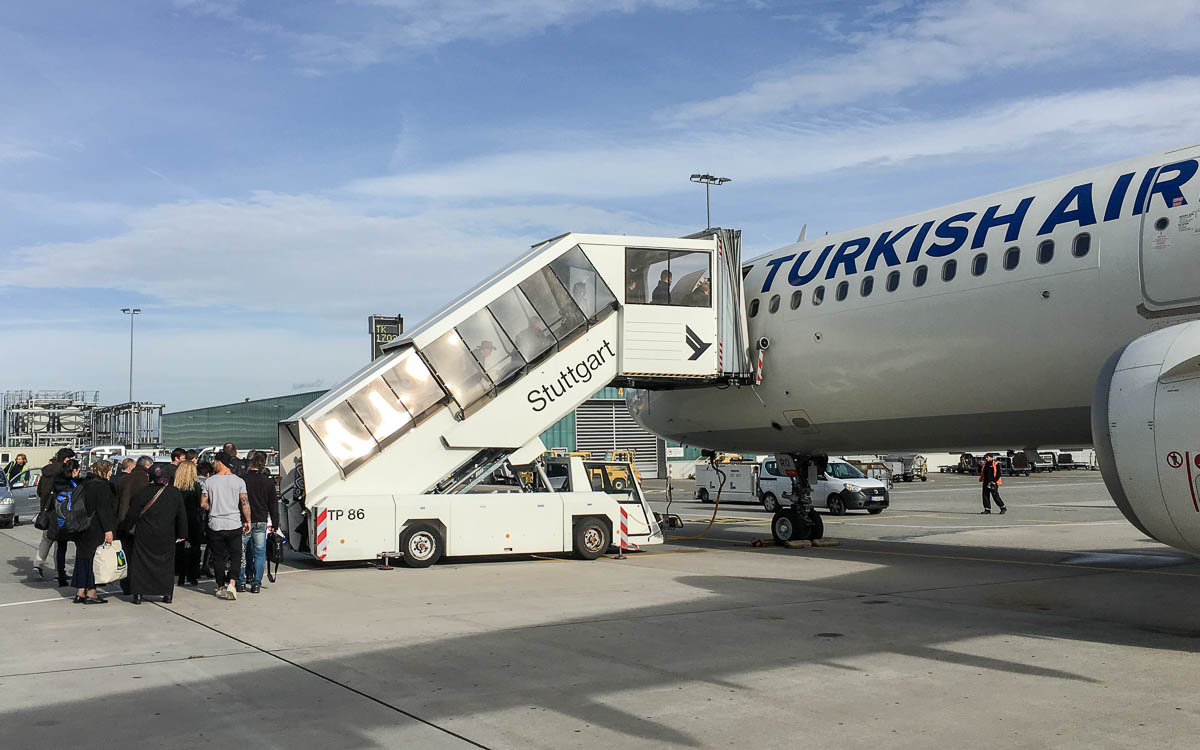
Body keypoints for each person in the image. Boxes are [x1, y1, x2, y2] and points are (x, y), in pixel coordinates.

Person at [120, 465, 187, 604]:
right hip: (167, 534)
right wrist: (182, 533)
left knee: (141, 564)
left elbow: (132, 514)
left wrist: (126, 528)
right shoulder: (174, 493)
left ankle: (138, 594)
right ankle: (166, 594)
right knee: (165, 565)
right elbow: (181, 515)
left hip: (145, 533)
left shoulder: (143, 492)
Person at [202, 453, 250, 600]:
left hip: (215, 524)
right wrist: (248, 520)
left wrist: (212, 508)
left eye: (215, 462)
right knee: (236, 555)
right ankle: (232, 582)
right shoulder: (239, 481)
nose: (213, 465)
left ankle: (221, 586)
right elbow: (245, 503)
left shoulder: (209, 482)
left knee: (218, 557)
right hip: (234, 523)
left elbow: (203, 503)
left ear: (219, 462)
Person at [71, 460, 117, 604]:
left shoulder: (84, 483)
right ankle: (91, 592)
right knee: (94, 560)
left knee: (82, 558)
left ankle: (80, 592)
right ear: (104, 471)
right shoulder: (102, 486)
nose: (111, 473)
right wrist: (108, 530)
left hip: (81, 526)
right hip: (95, 527)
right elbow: (104, 510)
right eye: (109, 470)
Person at [238, 451, 281, 594]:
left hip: (244, 520)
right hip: (261, 520)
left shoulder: (242, 480)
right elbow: (273, 505)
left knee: (241, 552)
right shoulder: (268, 482)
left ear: (250, 463)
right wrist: (275, 523)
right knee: (260, 553)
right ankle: (256, 583)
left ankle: (241, 581)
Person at [33, 447, 76, 584]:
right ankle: (59, 571)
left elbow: (39, 491)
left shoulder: (46, 471)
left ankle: (37, 565)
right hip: (59, 510)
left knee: (46, 539)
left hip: (46, 509)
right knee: (60, 541)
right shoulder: (64, 472)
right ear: (67, 459)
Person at [174, 460, 205, 587]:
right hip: (193, 519)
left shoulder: (175, 486)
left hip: (178, 519)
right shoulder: (195, 486)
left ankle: (181, 575)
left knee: (180, 548)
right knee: (195, 548)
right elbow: (200, 504)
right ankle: (192, 575)